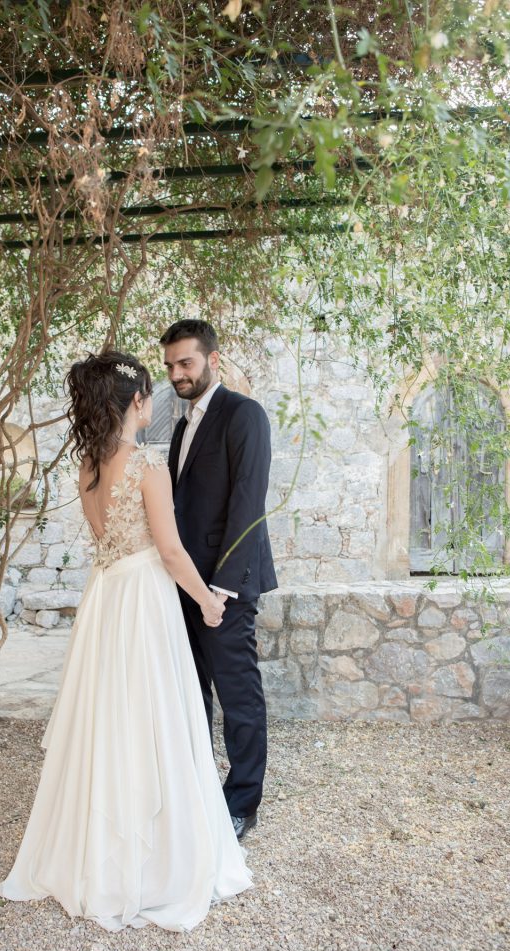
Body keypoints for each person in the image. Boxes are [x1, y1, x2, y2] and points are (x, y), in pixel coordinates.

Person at [0, 350, 252, 932]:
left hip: (106, 597)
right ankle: (156, 858)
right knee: (152, 714)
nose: (154, 402)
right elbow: (168, 550)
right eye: (147, 395)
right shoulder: (146, 466)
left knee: (109, 717)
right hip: (142, 600)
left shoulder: (88, 466)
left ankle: (99, 850)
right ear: (136, 402)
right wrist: (209, 601)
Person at [160, 319, 277, 842]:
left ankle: (242, 801)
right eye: (170, 365)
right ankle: (202, 791)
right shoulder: (183, 424)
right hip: (187, 583)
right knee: (193, 693)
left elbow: (248, 504)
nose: (177, 374)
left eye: (186, 362)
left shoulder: (243, 414)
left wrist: (222, 591)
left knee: (238, 696)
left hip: (226, 588)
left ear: (212, 359)